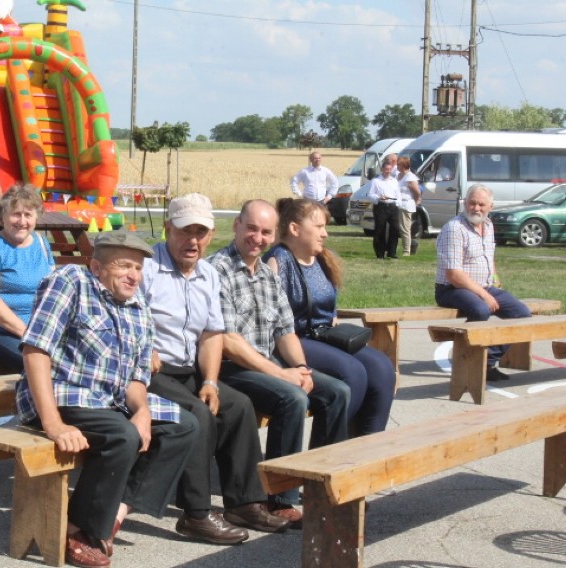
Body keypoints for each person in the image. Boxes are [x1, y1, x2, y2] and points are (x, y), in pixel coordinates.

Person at [15, 231, 198, 568]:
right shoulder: (70, 282)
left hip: (109, 399)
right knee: (122, 435)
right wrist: (52, 423)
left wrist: (142, 410)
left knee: (183, 425)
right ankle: (78, 528)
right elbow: (35, 351)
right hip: (63, 394)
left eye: (139, 268)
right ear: (96, 266)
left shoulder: (137, 304)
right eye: (124, 266)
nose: (134, 275)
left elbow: (136, 375)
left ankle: (114, 513)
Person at [141, 193, 289, 545]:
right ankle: (196, 513)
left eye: (201, 233)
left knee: (236, 405)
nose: (193, 241)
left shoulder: (207, 274)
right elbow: (130, 316)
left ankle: (244, 502)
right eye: (184, 231)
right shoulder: (147, 267)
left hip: (188, 368)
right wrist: (144, 348)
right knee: (198, 414)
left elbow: (211, 334)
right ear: (167, 229)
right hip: (148, 371)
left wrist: (210, 380)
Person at [207, 199, 349, 525]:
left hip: (266, 362)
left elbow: (285, 331)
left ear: (274, 235)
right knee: (292, 397)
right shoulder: (218, 270)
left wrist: (301, 368)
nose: (257, 237)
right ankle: (279, 498)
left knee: (337, 392)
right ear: (237, 226)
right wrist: (284, 375)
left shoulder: (268, 274)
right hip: (231, 368)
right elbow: (229, 342)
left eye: (265, 232)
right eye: (252, 229)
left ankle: (321, 484)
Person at [265, 198, 394, 435]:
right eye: (319, 227)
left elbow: (329, 304)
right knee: (352, 372)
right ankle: (328, 452)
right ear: (295, 229)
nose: (325, 234)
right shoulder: (277, 260)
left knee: (382, 368)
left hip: (324, 336)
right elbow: (270, 320)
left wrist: (333, 318)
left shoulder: (321, 259)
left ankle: (367, 450)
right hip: (294, 339)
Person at [435, 184, 531, 382]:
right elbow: (454, 274)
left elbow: (489, 257)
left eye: (481, 204)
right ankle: (468, 360)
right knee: (480, 309)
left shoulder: (488, 225)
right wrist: (485, 295)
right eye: (472, 203)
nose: (476, 208)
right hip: (453, 289)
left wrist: (495, 280)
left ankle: (485, 361)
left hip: (483, 286)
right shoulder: (454, 228)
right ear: (464, 203)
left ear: (490, 207)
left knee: (522, 314)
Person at [0, 183, 54, 372]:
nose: (22, 221)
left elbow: (55, 290)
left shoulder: (42, 244)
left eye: (28, 215)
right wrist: (27, 334)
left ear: (36, 218)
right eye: (16, 214)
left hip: (36, 332)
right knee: (41, 365)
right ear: (2, 216)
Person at [367, 159, 401, 259]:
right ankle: (380, 253)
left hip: (392, 206)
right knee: (380, 229)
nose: (388, 171)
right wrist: (378, 197)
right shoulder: (376, 181)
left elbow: (398, 194)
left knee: (395, 228)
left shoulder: (394, 181)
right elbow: (370, 194)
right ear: (382, 170)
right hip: (381, 206)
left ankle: (392, 252)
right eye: (386, 169)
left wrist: (398, 203)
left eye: (390, 169)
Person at [396, 156, 421, 257]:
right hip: (398, 204)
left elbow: (417, 192)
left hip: (406, 205)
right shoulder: (399, 175)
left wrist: (416, 201)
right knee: (400, 228)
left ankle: (407, 250)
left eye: (399, 164)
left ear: (403, 166)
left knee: (405, 228)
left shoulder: (410, 177)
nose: (397, 166)